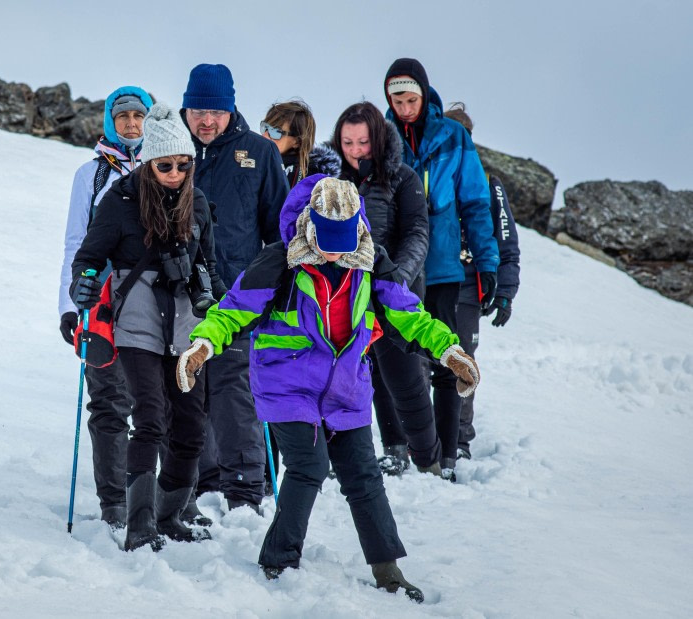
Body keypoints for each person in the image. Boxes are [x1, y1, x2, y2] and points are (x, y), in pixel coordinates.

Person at [176, 177, 480, 602]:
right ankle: (278, 560)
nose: (333, 252)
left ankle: (388, 570)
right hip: (287, 385)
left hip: (345, 387)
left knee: (364, 475)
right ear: (309, 225)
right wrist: (203, 344)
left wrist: (450, 352)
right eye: (325, 240)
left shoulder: (372, 263)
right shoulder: (279, 261)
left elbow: (409, 315)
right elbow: (233, 311)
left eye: (342, 241)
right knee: (308, 466)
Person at [71, 101, 226, 552]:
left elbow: (209, 265)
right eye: (165, 166)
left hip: (186, 325)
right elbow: (88, 256)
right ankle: (140, 524)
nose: (175, 173)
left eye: (183, 164)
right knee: (151, 420)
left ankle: (169, 513)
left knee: (192, 426)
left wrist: (225, 307)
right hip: (137, 319)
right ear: (150, 163)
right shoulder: (120, 199)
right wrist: (81, 286)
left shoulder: (196, 202)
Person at [180, 63, 290, 513]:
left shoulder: (259, 154)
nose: (206, 120)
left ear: (231, 110)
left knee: (235, 394)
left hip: (239, 297)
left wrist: (271, 290)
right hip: (180, 296)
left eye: (216, 111)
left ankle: (246, 489)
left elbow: (280, 233)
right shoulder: (173, 154)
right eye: (198, 111)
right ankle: (204, 482)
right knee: (190, 390)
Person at [384, 58, 499, 479]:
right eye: (396, 99)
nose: (404, 107)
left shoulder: (453, 137)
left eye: (411, 98)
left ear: (423, 94)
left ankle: (449, 453)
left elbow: (474, 202)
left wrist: (487, 263)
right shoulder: (382, 137)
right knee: (395, 357)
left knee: (447, 359)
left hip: (446, 267)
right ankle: (399, 447)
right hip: (397, 267)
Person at [330, 101, 442, 477]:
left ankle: (428, 456)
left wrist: (398, 277)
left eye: (363, 142)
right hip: (346, 293)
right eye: (347, 142)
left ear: (377, 139)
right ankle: (394, 449)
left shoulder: (402, 177)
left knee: (405, 376)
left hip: (394, 288)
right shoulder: (331, 182)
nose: (356, 150)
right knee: (370, 375)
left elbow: (417, 234)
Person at [58, 87, 152, 527]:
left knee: (156, 401)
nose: (132, 123)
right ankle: (115, 504)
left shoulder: (166, 166)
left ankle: (153, 499)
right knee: (110, 399)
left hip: (154, 297)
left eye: (139, 115)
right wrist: (69, 306)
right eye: (123, 116)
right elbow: (76, 243)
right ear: (108, 122)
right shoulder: (91, 175)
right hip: (101, 300)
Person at [260, 99, 342, 485]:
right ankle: (262, 469)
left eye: (277, 131)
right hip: (265, 278)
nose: (267, 136)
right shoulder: (260, 166)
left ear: (298, 139)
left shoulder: (318, 185)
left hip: (304, 290)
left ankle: (302, 465)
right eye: (266, 126)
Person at [443, 102, 522, 461]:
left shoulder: (490, 185)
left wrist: (504, 292)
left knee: (462, 360)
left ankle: (458, 441)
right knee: (422, 361)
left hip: (469, 285)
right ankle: (427, 440)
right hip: (430, 281)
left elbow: (507, 243)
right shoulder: (427, 176)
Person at [260, 99, 320, 188]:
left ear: (297, 142)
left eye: (276, 132)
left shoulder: (313, 184)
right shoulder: (250, 162)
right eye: (265, 128)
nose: (265, 135)